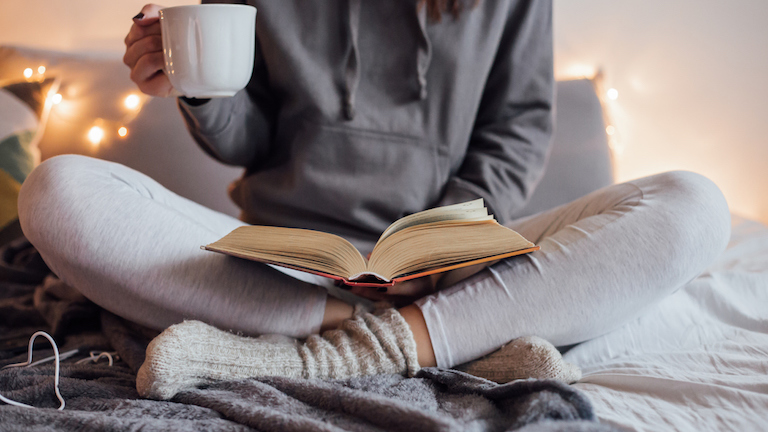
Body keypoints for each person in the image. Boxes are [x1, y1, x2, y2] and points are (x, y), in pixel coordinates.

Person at [18, 0, 731, 400]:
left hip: (456, 261)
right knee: (57, 189)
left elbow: (518, 130)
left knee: (693, 203)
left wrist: (444, 248)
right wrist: (199, 90)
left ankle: (338, 346)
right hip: (281, 265)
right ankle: (442, 339)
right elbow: (248, 139)